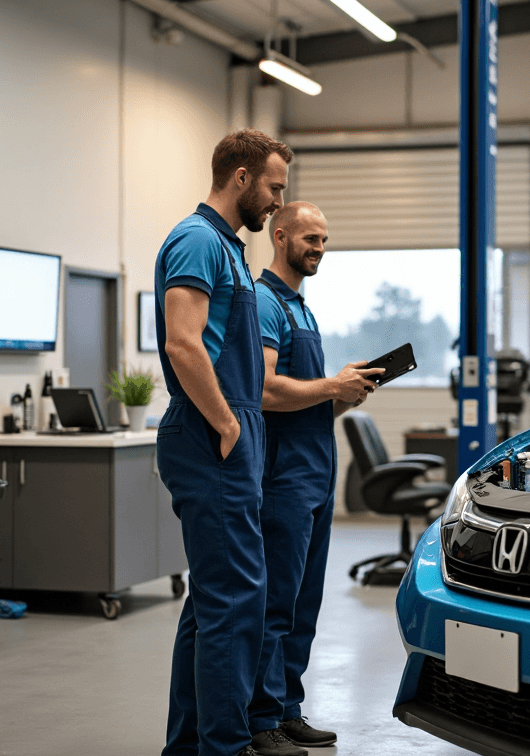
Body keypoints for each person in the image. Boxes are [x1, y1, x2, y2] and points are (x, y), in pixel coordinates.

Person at [155, 128, 292, 756]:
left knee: (213, 603)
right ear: (241, 178)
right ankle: (227, 748)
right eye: (273, 188)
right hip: (210, 435)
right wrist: (229, 423)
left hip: (229, 435)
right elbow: (183, 343)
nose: (278, 202)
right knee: (235, 602)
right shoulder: (197, 240)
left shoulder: (228, 247)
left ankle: (191, 745)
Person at [247, 202, 382, 756]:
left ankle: (288, 708)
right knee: (277, 601)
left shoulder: (302, 309)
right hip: (284, 476)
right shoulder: (264, 302)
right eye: (309, 238)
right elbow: (263, 389)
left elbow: (308, 400)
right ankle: (261, 721)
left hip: (316, 471)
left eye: (324, 239)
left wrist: (345, 395)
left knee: (305, 602)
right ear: (280, 237)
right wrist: (331, 386)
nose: (319, 248)